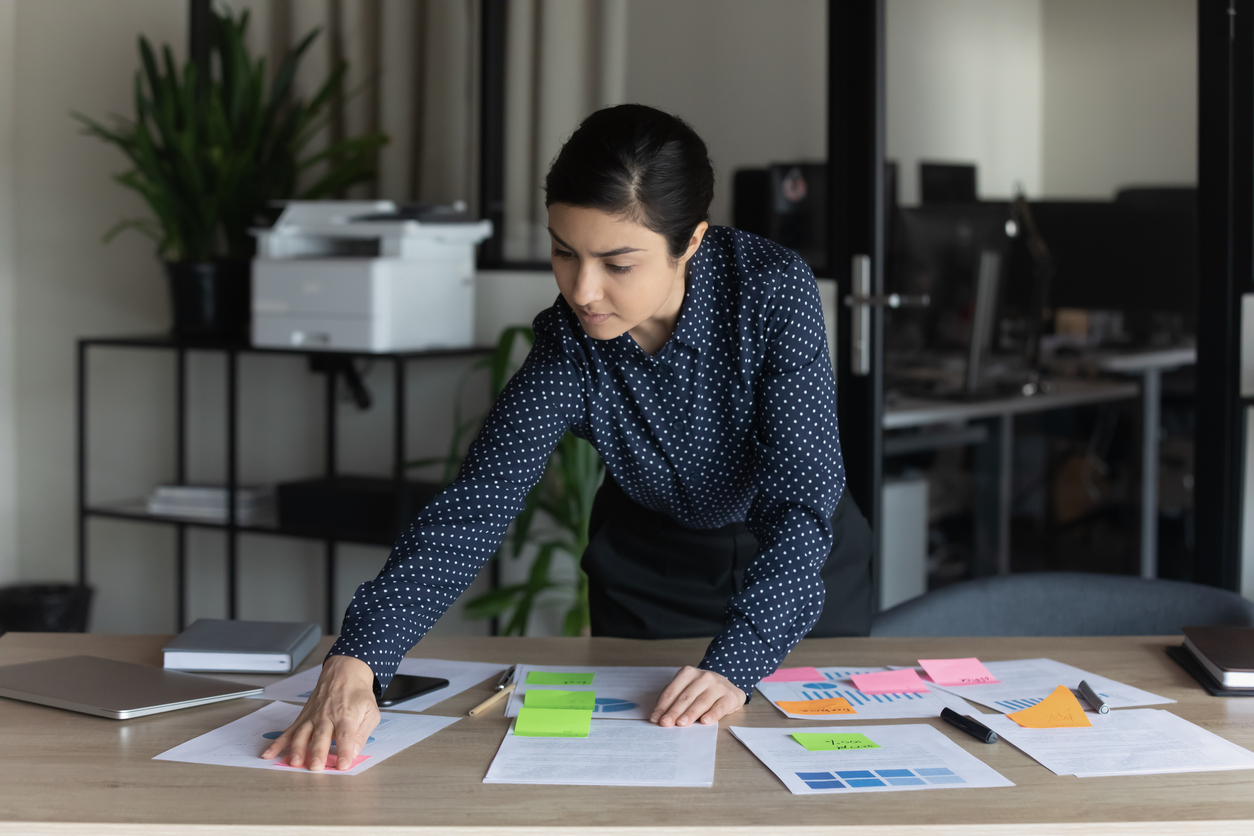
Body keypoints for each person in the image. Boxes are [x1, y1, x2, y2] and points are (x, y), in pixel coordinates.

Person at [263, 104, 873, 771]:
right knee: (648, 771)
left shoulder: (770, 291)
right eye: (564, 252)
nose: (583, 291)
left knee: (798, 777)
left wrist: (740, 660)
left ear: (691, 243)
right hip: (651, 571)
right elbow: (476, 507)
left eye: (617, 263)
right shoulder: (569, 347)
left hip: (798, 561)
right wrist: (360, 656)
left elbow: (801, 495)